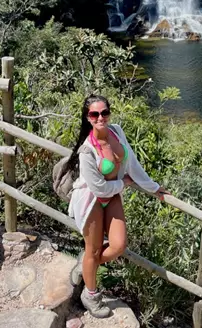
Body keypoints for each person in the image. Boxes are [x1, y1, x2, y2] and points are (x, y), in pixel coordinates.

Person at [66, 94, 169, 318]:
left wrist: (153, 187)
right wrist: (123, 183)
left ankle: (85, 265)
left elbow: (131, 162)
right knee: (93, 250)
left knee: (119, 245)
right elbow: (99, 188)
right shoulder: (86, 151)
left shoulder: (117, 131)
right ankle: (90, 295)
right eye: (95, 114)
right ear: (88, 118)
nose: (100, 117)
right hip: (91, 198)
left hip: (111, 195)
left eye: (104, 112)